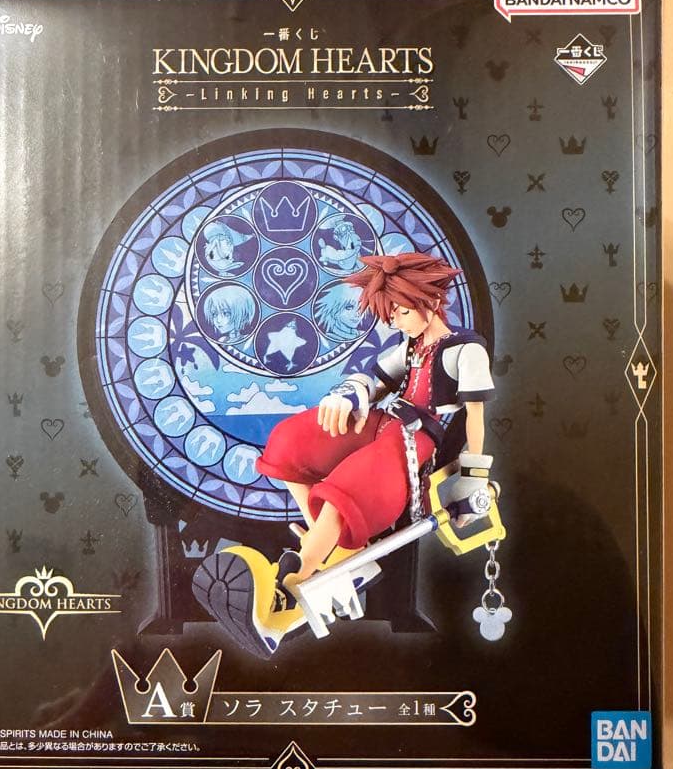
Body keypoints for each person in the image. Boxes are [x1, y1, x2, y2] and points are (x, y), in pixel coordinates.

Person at [209, 252, 496, 655]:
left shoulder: (466, 351)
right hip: (383, 421)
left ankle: (289, 587)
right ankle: (331, 547)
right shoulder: (410, 347)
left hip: (418, 441)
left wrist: (474, 478)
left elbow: (475, 417)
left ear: (430, 301)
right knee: (290, 442)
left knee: (348, 488)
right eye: (391, 315)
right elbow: (374, 381)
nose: (396, 322)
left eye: (401, 312)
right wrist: (349, 396)